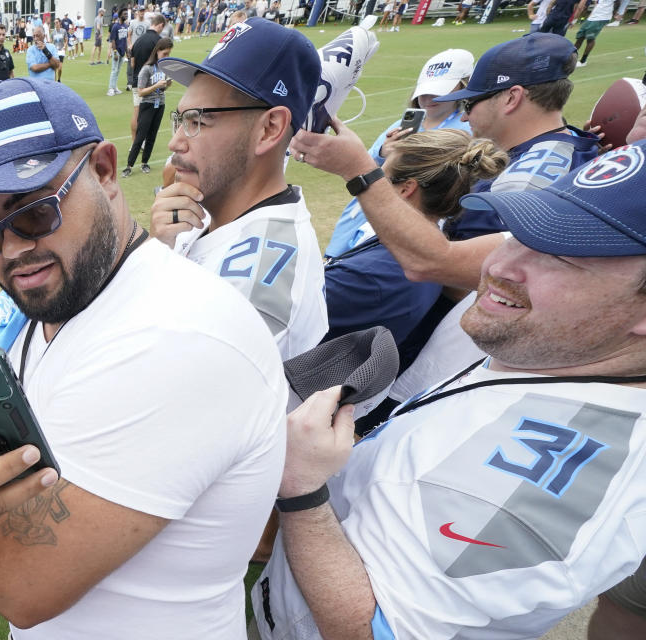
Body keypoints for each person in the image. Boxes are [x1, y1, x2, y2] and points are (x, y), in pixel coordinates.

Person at [0, 76, 287, 639]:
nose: (12, 251)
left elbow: (19, 585)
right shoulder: (67, 300)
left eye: (32, 211)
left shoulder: (180, 338)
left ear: (104, 171)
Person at [253, 140, 646, 640]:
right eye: (519, 235)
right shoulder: (559, 351)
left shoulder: (538, 489)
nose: (498, 266)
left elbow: (376, 631)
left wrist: (302, 494)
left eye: (562, 257)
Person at [293, 32, 600, 293]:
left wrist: (358, 170)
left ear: (511, 98)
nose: (464, 116)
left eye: (470, 103)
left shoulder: (517, 187)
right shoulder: (573, 146)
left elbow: (442, 268)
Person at [152, 17, 328, 363]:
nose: (175, 142)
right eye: (181, 120)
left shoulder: (253, 292)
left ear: (269, 129)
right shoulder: (213, 209)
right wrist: (160, 249)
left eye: (198, 122)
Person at [323, 129, 507, 372]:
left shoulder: (375, 273)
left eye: (380, 176)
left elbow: (277, 315)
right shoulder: (410, 254)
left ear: (405, 189)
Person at [325, 49, 474, 258]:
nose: (428, 97)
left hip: (415, 222)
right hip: (366, 215)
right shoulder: (401, 125)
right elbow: (362, 167)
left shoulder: (468, 129)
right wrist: (382, 152)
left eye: (439, 91)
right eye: (424, 91)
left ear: (462, 86)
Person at [122, 38, 173, 177]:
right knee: (140, 136)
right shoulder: (147, 69)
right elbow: (141, 92)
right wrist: (156, 85)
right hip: (147, 105)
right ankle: (129, 165)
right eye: (165, 54)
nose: (166, 57)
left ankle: (145, 162)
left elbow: (162, 90)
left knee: (152, 136)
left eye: (169, 54)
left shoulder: (164, 68)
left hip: (160, 104)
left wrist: (167, 85)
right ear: (157, 52)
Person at [129, 13, 166, 141]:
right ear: (160, 25)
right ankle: (142, 142)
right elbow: (162, 63)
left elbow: (132, 63)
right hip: (150, 84)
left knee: (136, 112)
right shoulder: (159, 41)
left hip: (136, 81)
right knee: (147, 116)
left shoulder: (138, 40)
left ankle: (134, 143)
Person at [575, 0, 617, 65]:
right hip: (592, 17)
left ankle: (583, 61)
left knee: (590, 38)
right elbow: (597, 4)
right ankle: (570, 57)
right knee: (580, 37)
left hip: (601, 17)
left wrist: (616, 13)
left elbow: (618, 2)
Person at [108, 14, 129, 95]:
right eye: (124, 14)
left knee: (118, 71)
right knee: (114, 70)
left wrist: (127, 52)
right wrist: (115, 52)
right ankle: (110, 88)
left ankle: (115, 87)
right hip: (116, 51)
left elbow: (125, 40)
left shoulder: (126, 26)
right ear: (120, 15)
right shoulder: (115, 26)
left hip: (123, 51)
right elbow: (113, 40)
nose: (126, 15)